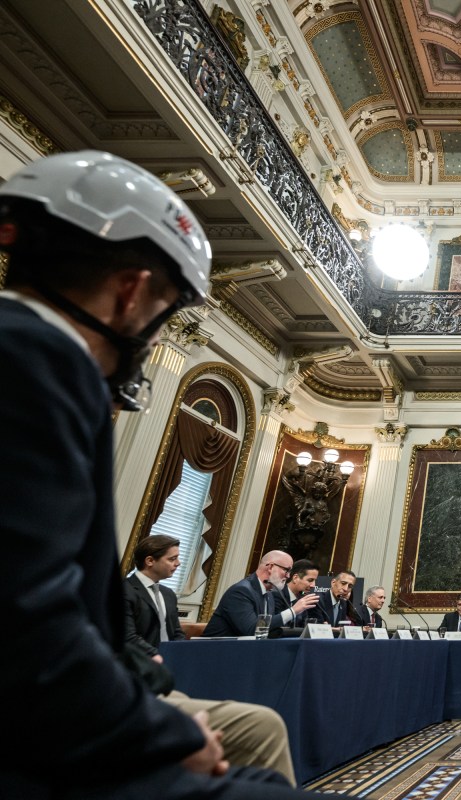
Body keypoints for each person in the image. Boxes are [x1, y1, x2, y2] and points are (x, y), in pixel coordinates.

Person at [0, 150, 310, 796]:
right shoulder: (36, 364)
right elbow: (28, 625)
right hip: (37, 736)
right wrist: (167, 734)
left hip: (61, 702)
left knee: (254, 732)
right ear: (133, 291)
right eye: (166, 312)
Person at [125, 535, 297, 785]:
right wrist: (157, 657)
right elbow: (127, 636)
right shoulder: (124, 590)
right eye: (172, 558)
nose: (178, 563)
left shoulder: (168, 594)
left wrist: (182, 656)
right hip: (147, 670)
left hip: (176, 663)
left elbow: (176, 634)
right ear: (150, 561)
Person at [204, 551, 313, 637]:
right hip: (216, 651)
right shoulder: (241, 591)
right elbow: (252, 630)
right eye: (286, 570)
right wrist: (293, 611)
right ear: (270, 567)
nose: (288, 576)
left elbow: (266, 629)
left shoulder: (269, 594)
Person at [274, 559, 320, 629]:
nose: (313, 585)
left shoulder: (303, 598)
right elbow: (275, 625)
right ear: (295, 578)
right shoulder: (276, 595)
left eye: (314, 581)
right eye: (310, 580)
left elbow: (303, 627)